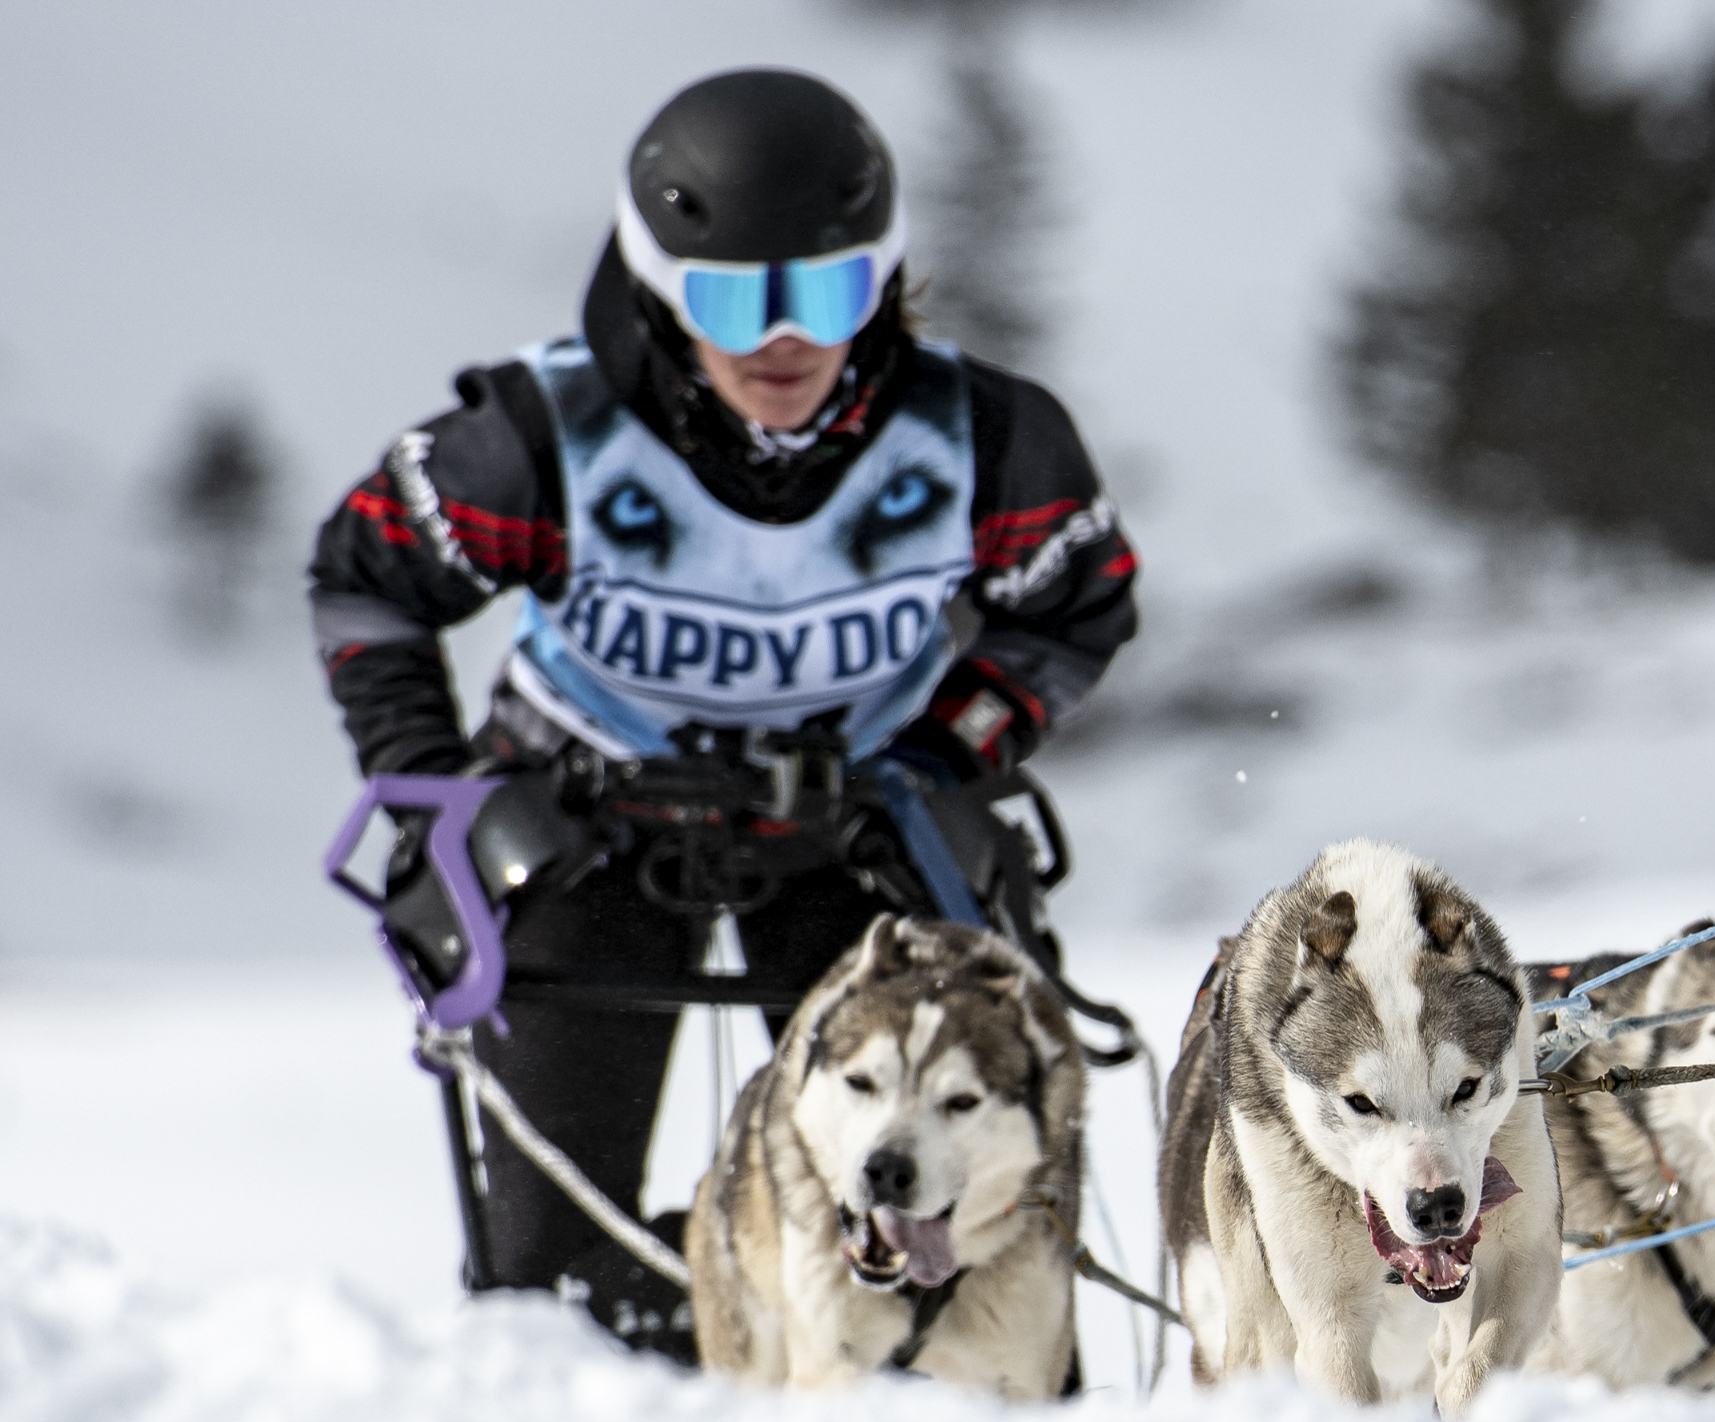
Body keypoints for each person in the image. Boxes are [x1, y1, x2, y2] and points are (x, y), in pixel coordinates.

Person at [307, 68, 1139, 1298]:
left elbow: (1075, 607)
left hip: (856, 826)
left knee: (938, 1262)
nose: (783, 340)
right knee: (543, 1274)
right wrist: (438, 788)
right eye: (730, 303)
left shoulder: (985, 440)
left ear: (885, 276)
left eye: (828, 290)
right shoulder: (540, 439)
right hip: (583, 829)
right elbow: (365, 576)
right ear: (655, 288)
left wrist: (940, 757)